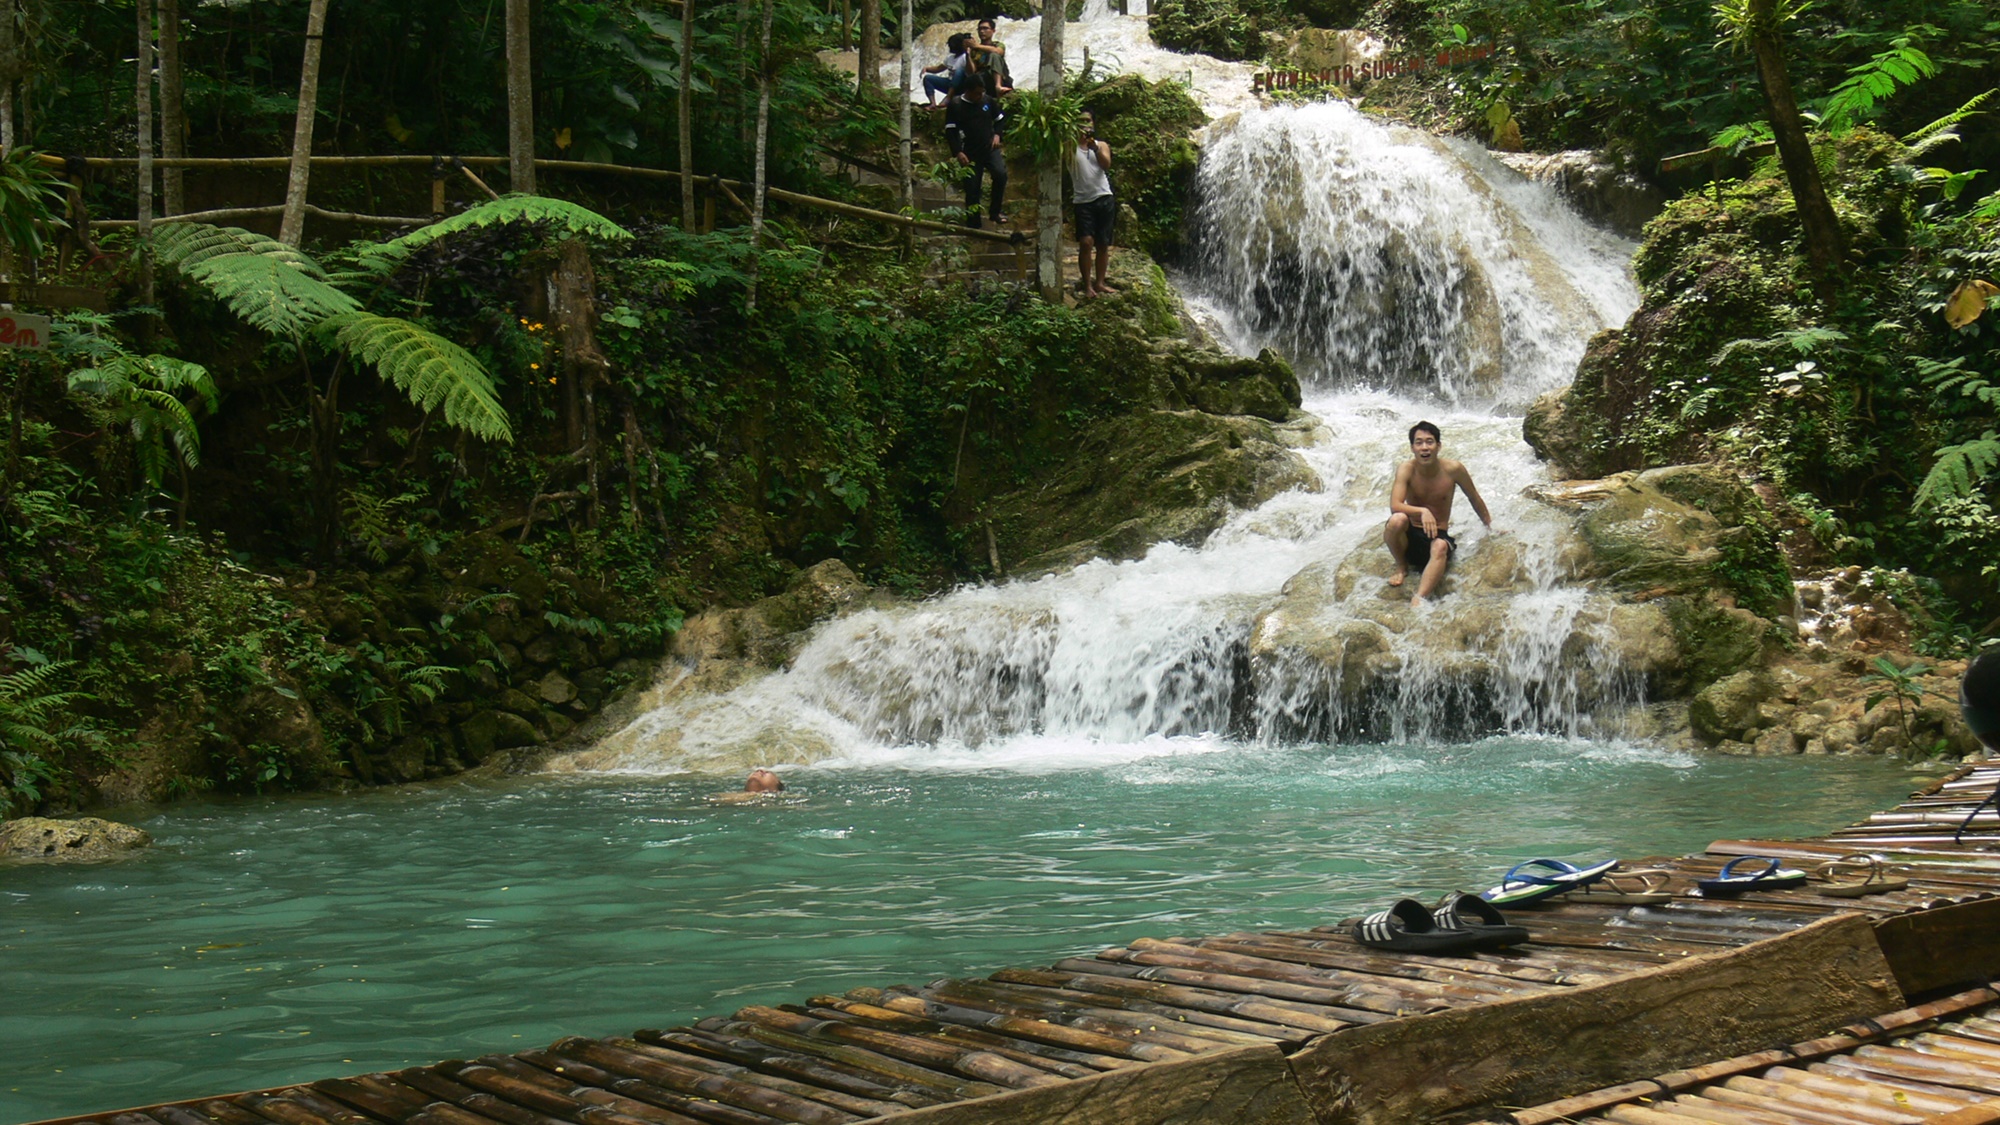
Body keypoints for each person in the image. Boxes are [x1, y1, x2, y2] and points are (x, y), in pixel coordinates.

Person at [1384, 420, 1498, 608]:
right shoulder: (1406, 469)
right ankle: (1401, 566)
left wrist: (1490, 525)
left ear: (1439, 446)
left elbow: (1474, 498)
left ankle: (1419, 597)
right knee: (1397, 520)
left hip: (1437, 536)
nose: (1424, 447)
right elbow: (1395, 505)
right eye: (1419, 442)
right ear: (1412, 447)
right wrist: (1422, 511)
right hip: (1409, 536)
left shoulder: (1454, 469)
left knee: (1439, 547)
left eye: (1430, 442)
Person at [946, 73, 1007, 228]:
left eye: (982, 92)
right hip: (970, 152)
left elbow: (1000, 119)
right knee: (972, 188)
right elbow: (951, 130)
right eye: (977, 93)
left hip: (989, 148)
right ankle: (974, 224)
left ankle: (995, 212)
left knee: (1000, 174)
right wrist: (958, 151)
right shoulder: (956, 105)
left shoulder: (988, 101)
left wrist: (997, 135)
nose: (980, 96)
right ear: (968, 91)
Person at [1071, 110, 1116, 297]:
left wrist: (1094, 148)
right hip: (1082, 201)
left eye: (1088, 121)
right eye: (1081, 122)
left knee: (1103, 243)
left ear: (1093, 124)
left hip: (1104, 196)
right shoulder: (1068, 147)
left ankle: (1100, 283)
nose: (1085, 125)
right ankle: (1087, 285)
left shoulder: (1101, 145)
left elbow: (1106, 165)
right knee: (1086, 242)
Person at [968, 19, 1013, 94]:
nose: (982, 31)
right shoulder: (974, 50)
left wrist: (977, 46)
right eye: (980, 29)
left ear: (993, 31)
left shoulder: (998, 45)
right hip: (984, 78)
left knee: (994, 55)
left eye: (985, 28)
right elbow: (972, 71)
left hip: (1001, 77)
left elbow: (998, 51)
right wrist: (967, 54)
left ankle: (998, 86)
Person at [922, 33, 968, 105]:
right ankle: (933, 103)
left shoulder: (965, 57)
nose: (949, 46)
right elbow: (938, 68)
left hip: (962, 86)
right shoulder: (950, 58)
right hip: (950, 83)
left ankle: (948, 98)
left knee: (959, 72)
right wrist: (927, 69)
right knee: (928, 78)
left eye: (951, 44)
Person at [710, 768, 787, 805]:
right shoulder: (722, 797)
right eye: (756, 771)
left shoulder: (783, 799)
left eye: (766, 773)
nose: (759, 770)